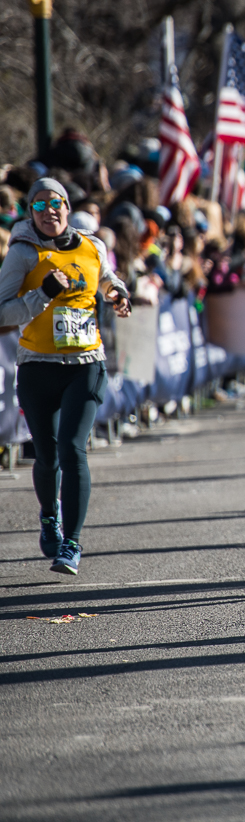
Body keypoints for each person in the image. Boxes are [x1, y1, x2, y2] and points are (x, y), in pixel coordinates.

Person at [0, 179, 131, 575]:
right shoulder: (23, 254)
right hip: (38, 366)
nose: (48, 211)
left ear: (67, 207)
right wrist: (42, 294)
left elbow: (105, 277)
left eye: (55, 203)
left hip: (86, 363)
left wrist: (117, 292)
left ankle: (71, 543)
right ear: (30, 213)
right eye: (39, 205)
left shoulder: (93, 246)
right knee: (48, 454)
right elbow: (3, 314)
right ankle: (48, 517)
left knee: (74, 450)